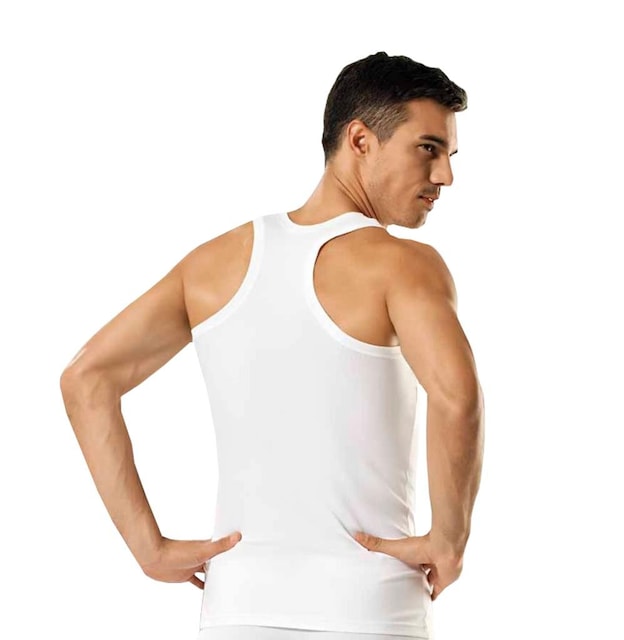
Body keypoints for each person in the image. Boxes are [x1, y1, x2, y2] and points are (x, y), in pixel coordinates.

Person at [60, 51, 485, 640]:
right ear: (360, 140)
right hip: (368, 607)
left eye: (449, 156)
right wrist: (449, 539)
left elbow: (87, 378)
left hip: (237, 608)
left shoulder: (212, 264)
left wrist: (147, 547)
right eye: (428, 149)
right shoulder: (404, 266)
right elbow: (458, 399)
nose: (444, 177)